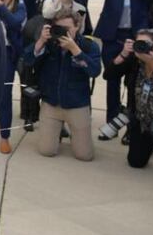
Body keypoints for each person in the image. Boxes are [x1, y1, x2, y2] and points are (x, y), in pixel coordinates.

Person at [89, 0, 153, 138]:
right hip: (112, 35)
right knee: (112, 79)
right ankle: (111, 123)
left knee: (134, 81)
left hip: (137, 34)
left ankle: (132, 127)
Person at [24, 9, 100, 161]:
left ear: (77, 26)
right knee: (46, 151)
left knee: (84, 155)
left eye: (68, 29)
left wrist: (75, 50)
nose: (64, 33)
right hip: (51, 103)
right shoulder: (49, 44)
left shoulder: (88, 45)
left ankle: (76, 136)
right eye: (60, 29)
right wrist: (40, 42)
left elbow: (94, 71)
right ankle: (54, 131)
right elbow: (27, 60)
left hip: (77, 104)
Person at [105, 29, 153, 168]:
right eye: (138, 42)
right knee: (135, 162)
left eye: (146, 43)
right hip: (142, 121)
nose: (142, 47)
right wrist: (123, 54)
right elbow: (108, 75)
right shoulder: (135, 61)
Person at [0, 0, 26, 154]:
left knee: (5, 95)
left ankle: (4, 137)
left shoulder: (19, 7)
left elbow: (14, 24)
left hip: (7, 55)